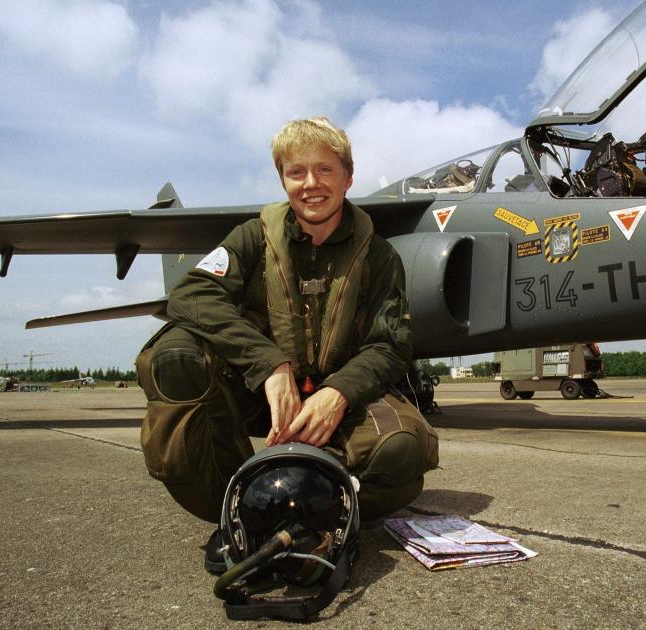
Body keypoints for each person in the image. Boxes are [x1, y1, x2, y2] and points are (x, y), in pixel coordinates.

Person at [135, 116, 439, 572]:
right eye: (296, 172)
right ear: (283, 179)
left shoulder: (378, 256)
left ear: (348, 177)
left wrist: (339, 393)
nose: (310, 184)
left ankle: (316, 511)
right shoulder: (252, 239)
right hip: (259, 394)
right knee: (178, 355)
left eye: (325, 170)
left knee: (400, 450)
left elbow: (390, 344)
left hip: (341, 396)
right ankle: (237, 514)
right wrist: (269, 366)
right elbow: (191, 293)